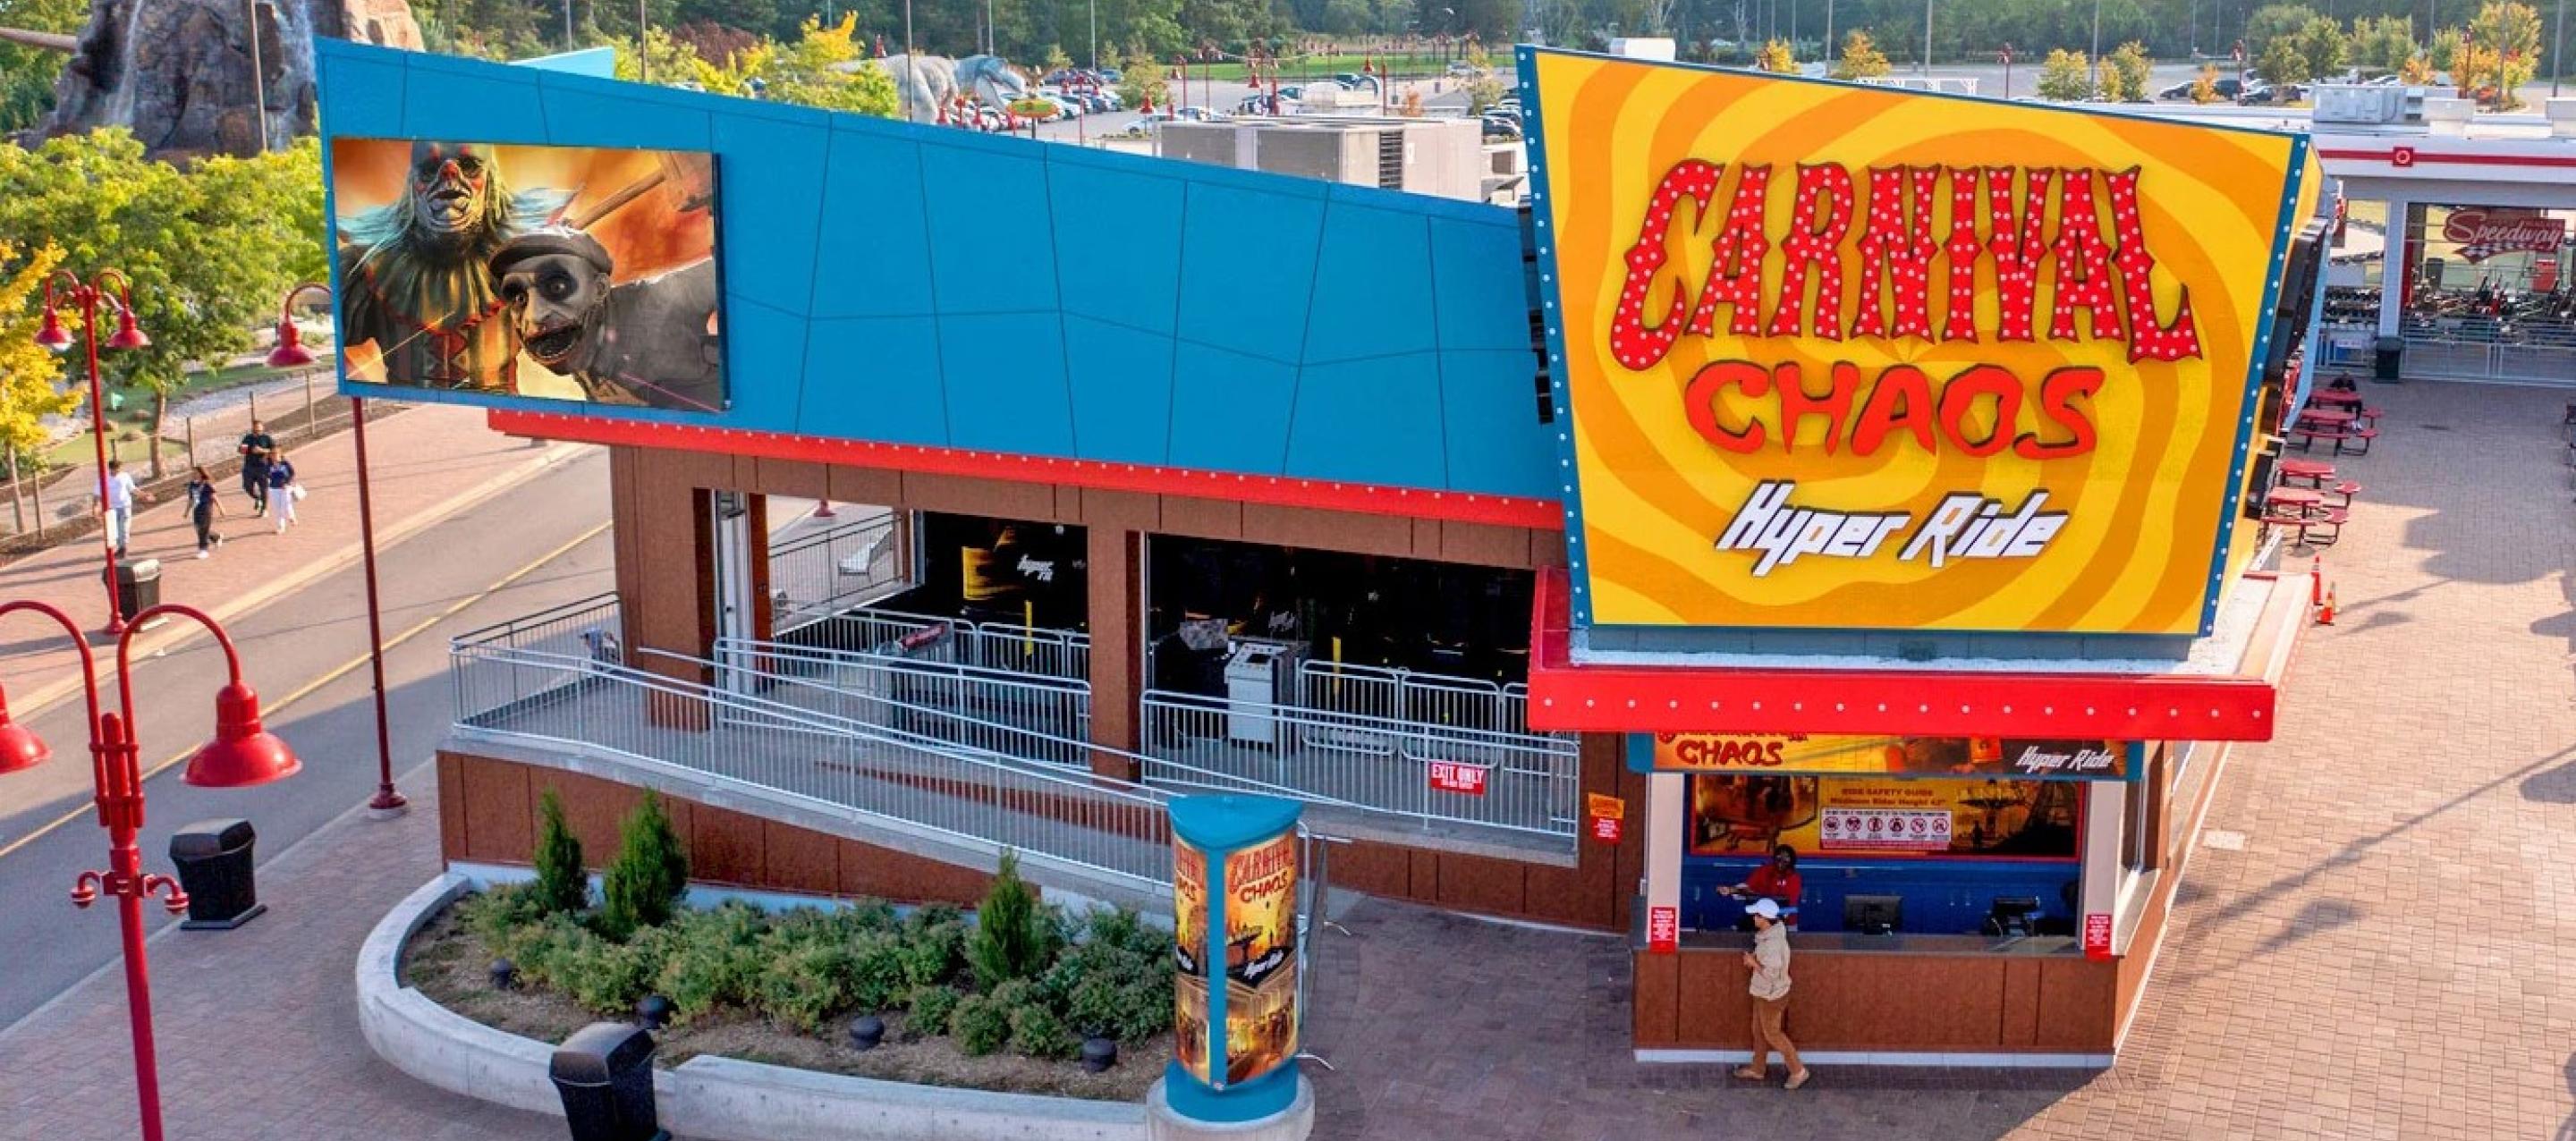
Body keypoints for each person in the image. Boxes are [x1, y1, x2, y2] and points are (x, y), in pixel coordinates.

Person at [1734, 898, 1809, 1090]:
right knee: (1759, 1032)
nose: (1753, 918)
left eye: (1756, 915)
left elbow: (1772, 974)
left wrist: (1753, 963)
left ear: (1765, 919)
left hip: (1771, 995)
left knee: (1773, 1035)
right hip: (1763, 992)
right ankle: (1758, 1068)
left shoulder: (1773, 944)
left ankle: (1798, 1070)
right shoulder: (1769, 935)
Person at [1717, 845, 1803, 928]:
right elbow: (1747, 888)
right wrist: (1731, 890)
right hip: (1760, 922)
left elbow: (1791, 907)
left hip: (1786, 923)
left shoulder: (1795, 878)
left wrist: (1771, 917)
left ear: (1792, 861)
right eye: (1779, 857)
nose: (1781, 861)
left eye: (1786, 858)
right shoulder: (1764, 870)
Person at [184, 467, 226, 558]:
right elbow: (191, 499)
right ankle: (216, 537)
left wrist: (221, 509)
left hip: (206, 509)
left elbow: (214, 497)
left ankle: (203, 550)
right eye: (193, 473)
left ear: (201, 473)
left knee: (202, 529)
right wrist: (186, 511)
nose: (194, 474)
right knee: (198, 529)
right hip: (196, 510)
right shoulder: (192, 485)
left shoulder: (207, 484)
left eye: (196, 473)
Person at [238, 419, 275, 516]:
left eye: (259, 430)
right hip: (249, 467)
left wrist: (262, 450)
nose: (257, 432)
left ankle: (264, 509)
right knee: (247, 487)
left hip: (263, 467)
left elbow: (275, 451)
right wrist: (244, 449)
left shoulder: (267, 438)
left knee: (264, 488)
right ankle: (258, 498)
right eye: (255, 430)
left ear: (262, 428)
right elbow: (241, 450)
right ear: (252, 428)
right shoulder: (248, 438)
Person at [101, 459, 136, 555]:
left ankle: (123, 548)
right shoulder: (105, 478)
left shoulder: (125, 476)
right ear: (110, 469)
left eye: (119, 469)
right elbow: (98, 493)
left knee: (124, 528)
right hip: (112, 507)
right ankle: (120, 546)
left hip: (125, 506)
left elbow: (132, 488)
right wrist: (96, 506)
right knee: (115, 530)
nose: (117, 471)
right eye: (115, 469)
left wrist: (144, 495)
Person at [266, 450, 299, 534]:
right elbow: (266, 475)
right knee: (277, 508)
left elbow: (292, 474)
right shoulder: (268, 465)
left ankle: (290, 517)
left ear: (280, 455)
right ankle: (281, 526)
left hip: (285, 488)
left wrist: (287, 483)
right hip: (274, 488)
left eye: (276, 454)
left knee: (285, 505)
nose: (274, 456)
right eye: (272, 455)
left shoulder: (285, 463)